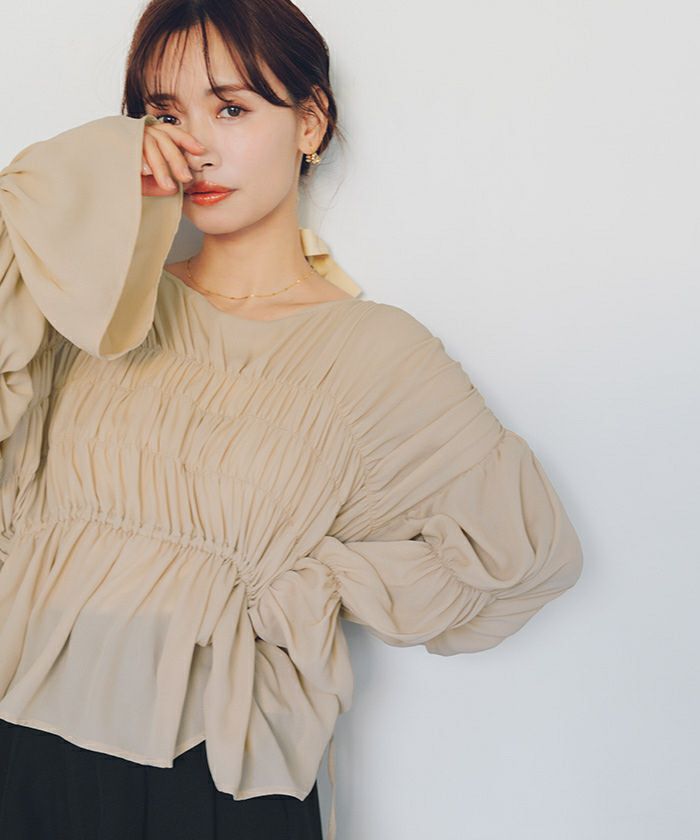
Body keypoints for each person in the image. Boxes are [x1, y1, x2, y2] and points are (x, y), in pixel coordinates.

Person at [0, 1, 584, 838]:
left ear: (310, 123)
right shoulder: (95, 304)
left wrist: (308, 585)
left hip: (209, 781)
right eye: (165, 115)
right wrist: (91, 165)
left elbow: (525, 555)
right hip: (22, 743)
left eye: (231, 109)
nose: (195, 147)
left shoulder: (376, 355)